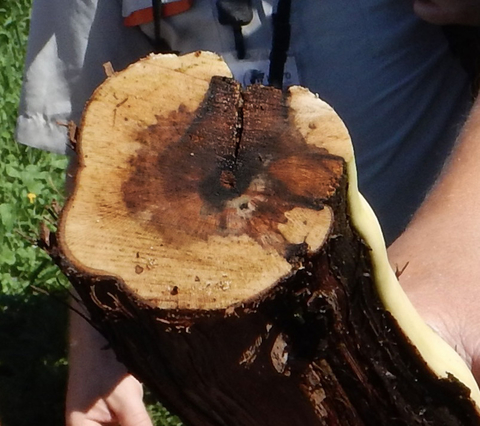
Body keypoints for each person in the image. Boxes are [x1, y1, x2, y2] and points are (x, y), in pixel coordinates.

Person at [15, 0, 480, 424]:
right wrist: (101, 360)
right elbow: (106, 134)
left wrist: (452, 269)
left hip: (438, 275)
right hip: (233, 320)